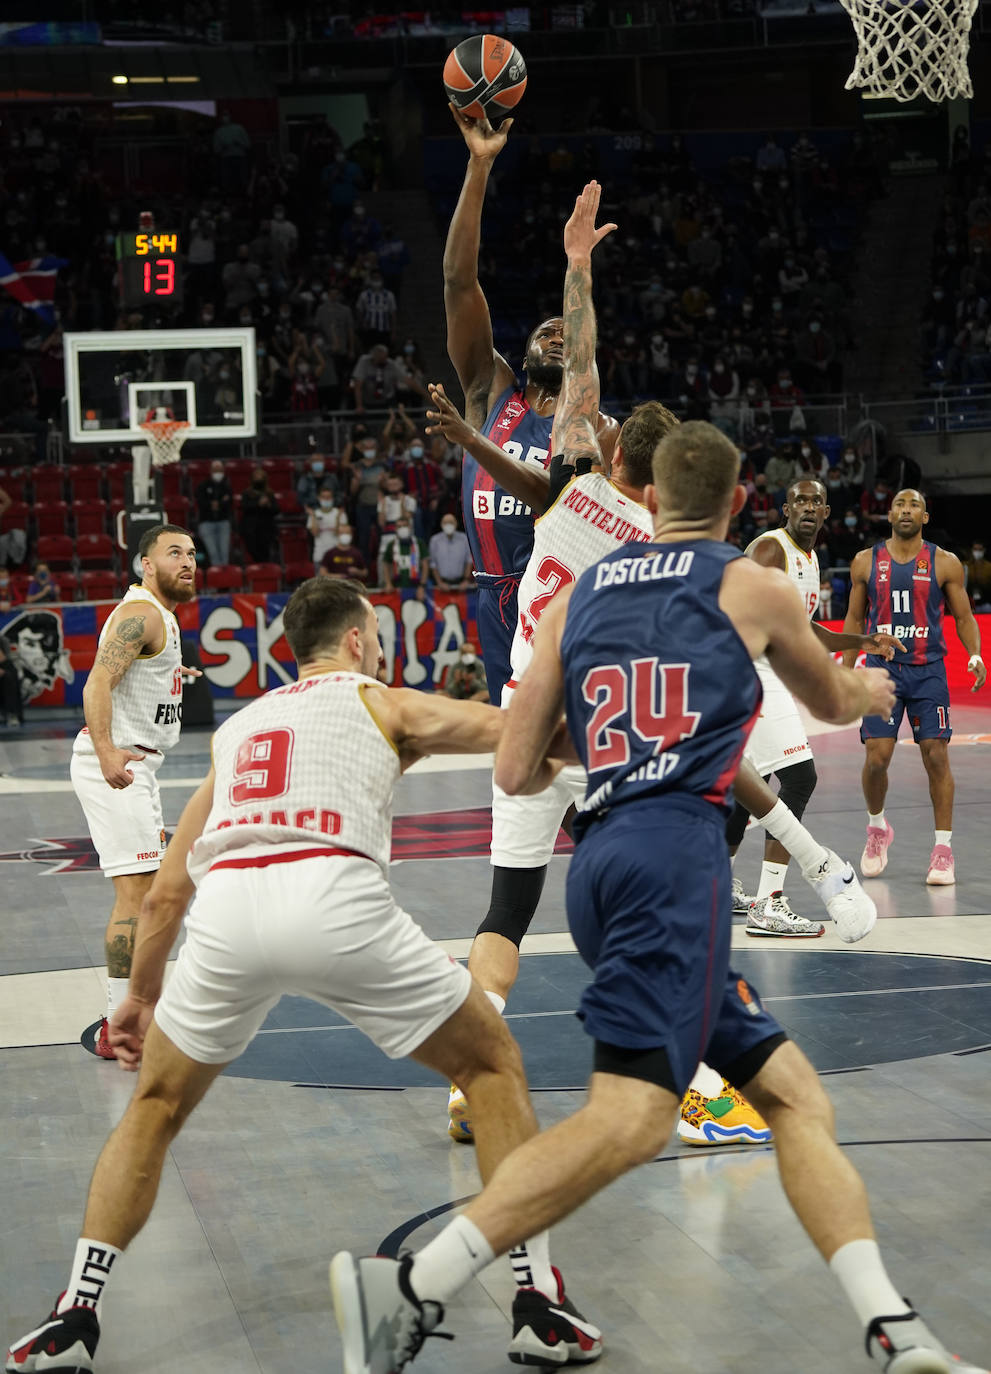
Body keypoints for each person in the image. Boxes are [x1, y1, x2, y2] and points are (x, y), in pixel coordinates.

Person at [331, 423, 987, 1374]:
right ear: (733, 502)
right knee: (632, 1118)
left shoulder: (575, 593)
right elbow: (835, 704)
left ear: (642, 488)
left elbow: (515, 767)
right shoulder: (748, 583)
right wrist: (872, 683)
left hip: (603, 857)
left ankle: (892, 1328)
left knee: (793, 1097)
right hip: (671, 864)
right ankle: (410, 1286)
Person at [5, 577, 600, 1373]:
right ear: (357, 641)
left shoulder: (242, 728)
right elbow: (512, 733)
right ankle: (536, 1302)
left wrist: (139, 998)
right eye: (377, 636)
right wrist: (619, 734)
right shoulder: (380, 700)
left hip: (228, 917)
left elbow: (170, 891)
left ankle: (72, 1315)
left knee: (154, 1107)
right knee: (490, 1066)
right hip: (333, 901)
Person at [432, 185, 876, 1154]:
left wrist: (576, 266)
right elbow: (586, 369)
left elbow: (580, 365)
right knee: (677, 894)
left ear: (607, 450)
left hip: (523, 707)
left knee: (506, 907)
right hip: (603, 727)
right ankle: (704, 1081)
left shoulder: (568, 493)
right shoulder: (659, 539)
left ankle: (472, 1074)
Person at [442, 105, 618, 705]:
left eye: (565, 331)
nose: (556, 333)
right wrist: (478, 166)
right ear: (520, 350)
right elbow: (458, 283)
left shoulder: (591, 427)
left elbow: (556, 496)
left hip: (562, 591)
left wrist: (579, 267)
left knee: (575, 742)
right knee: (516, 751)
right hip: (493, 594)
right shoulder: (488, 391)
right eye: (546, 328)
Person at [726, 477, 904, 936]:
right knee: (800, 777)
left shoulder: (809, 558)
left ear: (826, 512)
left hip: (762, 672)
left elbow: (807, 632)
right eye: (800, 499)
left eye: (817, 501)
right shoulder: (771, 550)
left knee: (750, 785)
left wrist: (865, 639)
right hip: (751, 672)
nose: (809, 506)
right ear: (785, 508)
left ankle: (716, 884)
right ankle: (769, 901)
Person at [68, 525, 199, 1060]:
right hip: (118, 761)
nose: (188, 561)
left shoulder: (157, 617)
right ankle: (118, 1022)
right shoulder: (140, 613)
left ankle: (127, 1011)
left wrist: (171, 670)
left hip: (137, 763)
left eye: (192, 553)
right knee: (139, 896)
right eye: (174, 553)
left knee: (149, 893)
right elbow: (97, 682)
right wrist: (105, 752)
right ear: (146, 564)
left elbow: (133, 672)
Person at [843, 489, 986, 885]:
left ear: (925, 516)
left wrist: (974, 654)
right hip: (881, 669)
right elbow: (854, 619)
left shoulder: (944, 561)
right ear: (888, 514)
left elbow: (963, 615)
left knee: (936, 756)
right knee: (876, 759)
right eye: (900, 505)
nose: (906, 510)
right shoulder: (864, 562)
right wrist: (848, 665)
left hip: (928, 672)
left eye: (914, 506)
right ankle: (877, 829)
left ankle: (943, 850)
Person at [194, 461, 234, 568]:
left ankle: (225, 580)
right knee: (213, 553)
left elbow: (229, 502)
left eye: (220, 469)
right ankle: (217, 578)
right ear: (211, 471)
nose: (218, 472)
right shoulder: (203, 486)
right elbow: (200, 502)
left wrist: (217, 503)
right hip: (206, 523)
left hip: (223, 522)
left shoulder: (227, 486)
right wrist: (218, 503)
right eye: (215, 470)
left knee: (224, 553)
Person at [239, 466, 279, 563]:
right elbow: (244, 507)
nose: (258, 478)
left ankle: (265, 567)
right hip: (251, 528)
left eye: (260, 476)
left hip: (266, 527)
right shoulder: (247, 493)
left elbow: (276, 510)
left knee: (266, 549)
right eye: (256, 476)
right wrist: (258, 504)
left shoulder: (269, 493)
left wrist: (268, 504)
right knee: (253, 549)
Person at [427, 516, 472, 592]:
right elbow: (432, 563)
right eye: (445, 523)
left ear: (456, 524)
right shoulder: (435, 540)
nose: (448, 525)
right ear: (441, 524)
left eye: (451, 522)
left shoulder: (464, 538)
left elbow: (469, 560)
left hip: (461, 583)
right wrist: (439, 582)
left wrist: (466, 580)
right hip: (441, 584)